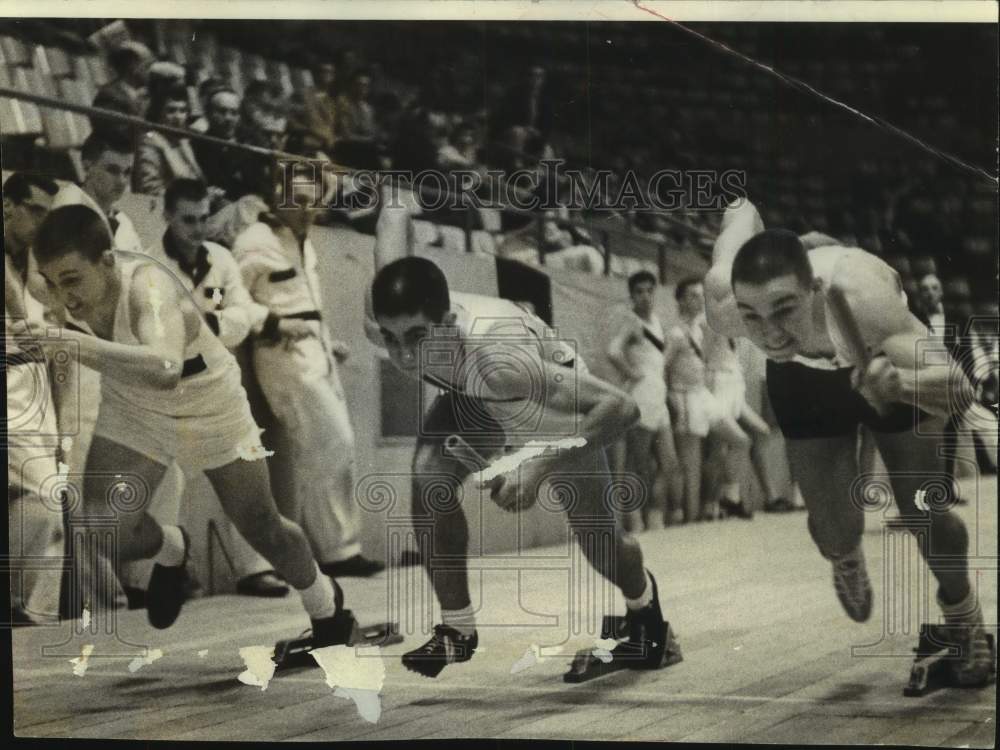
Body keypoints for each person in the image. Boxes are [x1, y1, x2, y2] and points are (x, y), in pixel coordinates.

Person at [366, 187, 671, 678]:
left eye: (417, 338)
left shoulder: (499, 358)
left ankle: (646, 616)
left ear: (446, 323)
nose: (402, 357)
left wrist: (536, 465)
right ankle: (457, 629)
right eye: (391, 339)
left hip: (546, 409)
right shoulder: (388, 315)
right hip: (475, 396)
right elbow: (391, 239)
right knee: (429, 480)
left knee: (600, 544)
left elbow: (621, 407)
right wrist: (397, 198)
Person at [26, 204, 354, 653]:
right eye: (52, 281)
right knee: (100, 527)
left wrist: (72, 342)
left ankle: (326, 605)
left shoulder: (152, 287)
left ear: (107, 260)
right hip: (133, 404)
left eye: (72, 280)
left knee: (262, 525)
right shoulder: (54, 290)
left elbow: (164, 367)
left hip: (207, 402)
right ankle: (172, 549)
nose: (65, 296)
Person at [704, 199, 994, 687]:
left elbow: (962, 390)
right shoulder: (725, 306)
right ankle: (844, 553)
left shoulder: (864, 298)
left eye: (784, 310)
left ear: (814, 289)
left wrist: (900, 385)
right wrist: (742, 210)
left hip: (883, 360)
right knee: (835, 529)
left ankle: (965, 619)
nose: (770, 334)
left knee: (923, 509)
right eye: (753, 317)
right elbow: (740, 212)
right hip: (804, 379)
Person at [123, 178, 289, 599]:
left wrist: (207, 324)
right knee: (165, 481)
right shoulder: (147, 264)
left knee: (240, 471)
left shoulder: (220, 260)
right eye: (187, 219)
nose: (196, 228)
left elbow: (238, 315)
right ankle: (156, 577)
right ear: (167, 215)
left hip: (215, 380)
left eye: (202, 218)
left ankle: (254, 568)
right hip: (166, 384)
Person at [232, 166, 383, 578]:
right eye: (295, 201)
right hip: (282, 352)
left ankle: (336, 549)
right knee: (333, 441)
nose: (304, 210)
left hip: (316, 349)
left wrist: (326, 339)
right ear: (278, 197)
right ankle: (337, 551)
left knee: (331, 448)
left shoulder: (303, 243)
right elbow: (231, 302)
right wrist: (275, 324)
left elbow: (307, 300)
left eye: (311, 202)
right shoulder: (253, 242)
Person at [4, 173, 64, 625]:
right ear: (10, 207)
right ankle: (25, 610)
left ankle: (24, 609)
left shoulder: (39, 268)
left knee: (45, 504)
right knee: (45, 496)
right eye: (38, 211)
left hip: (34, 394)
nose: (46, 223)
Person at [664, 278, 750, 522]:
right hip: (685, 396)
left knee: (741, 440)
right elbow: (664, 366)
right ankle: (692, 519)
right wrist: (670, 400)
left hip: (703, 395)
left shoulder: (699, 329)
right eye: (692, 295)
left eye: (700, 295)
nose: (699, 300)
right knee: (690, 466)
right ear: (680, 300)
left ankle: (724, 498)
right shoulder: (676, 333)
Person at [606, 271, 682, 531]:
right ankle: (639, 521)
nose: (645, 296)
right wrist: (631, 373)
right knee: (640, 464)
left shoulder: (658, 322)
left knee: (669, 463)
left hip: (658, 396)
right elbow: (613, 351)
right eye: (639, 291)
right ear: (632, 296)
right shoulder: (633, 324)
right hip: (642, 396)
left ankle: (654, 513)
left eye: (650, 291)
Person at [52, 131, 144, 254]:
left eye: (127, 172)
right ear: (87, 167)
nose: (122, 181)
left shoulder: (123, 221)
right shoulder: (66, 208)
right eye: (112, 170)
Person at [134, 83, 206, 196]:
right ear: (159, 113)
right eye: (171, 111)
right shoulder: (150, 140)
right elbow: (152, 190)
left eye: (182, 111)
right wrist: (196, 197)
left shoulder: (184, 141)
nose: (178, 117)